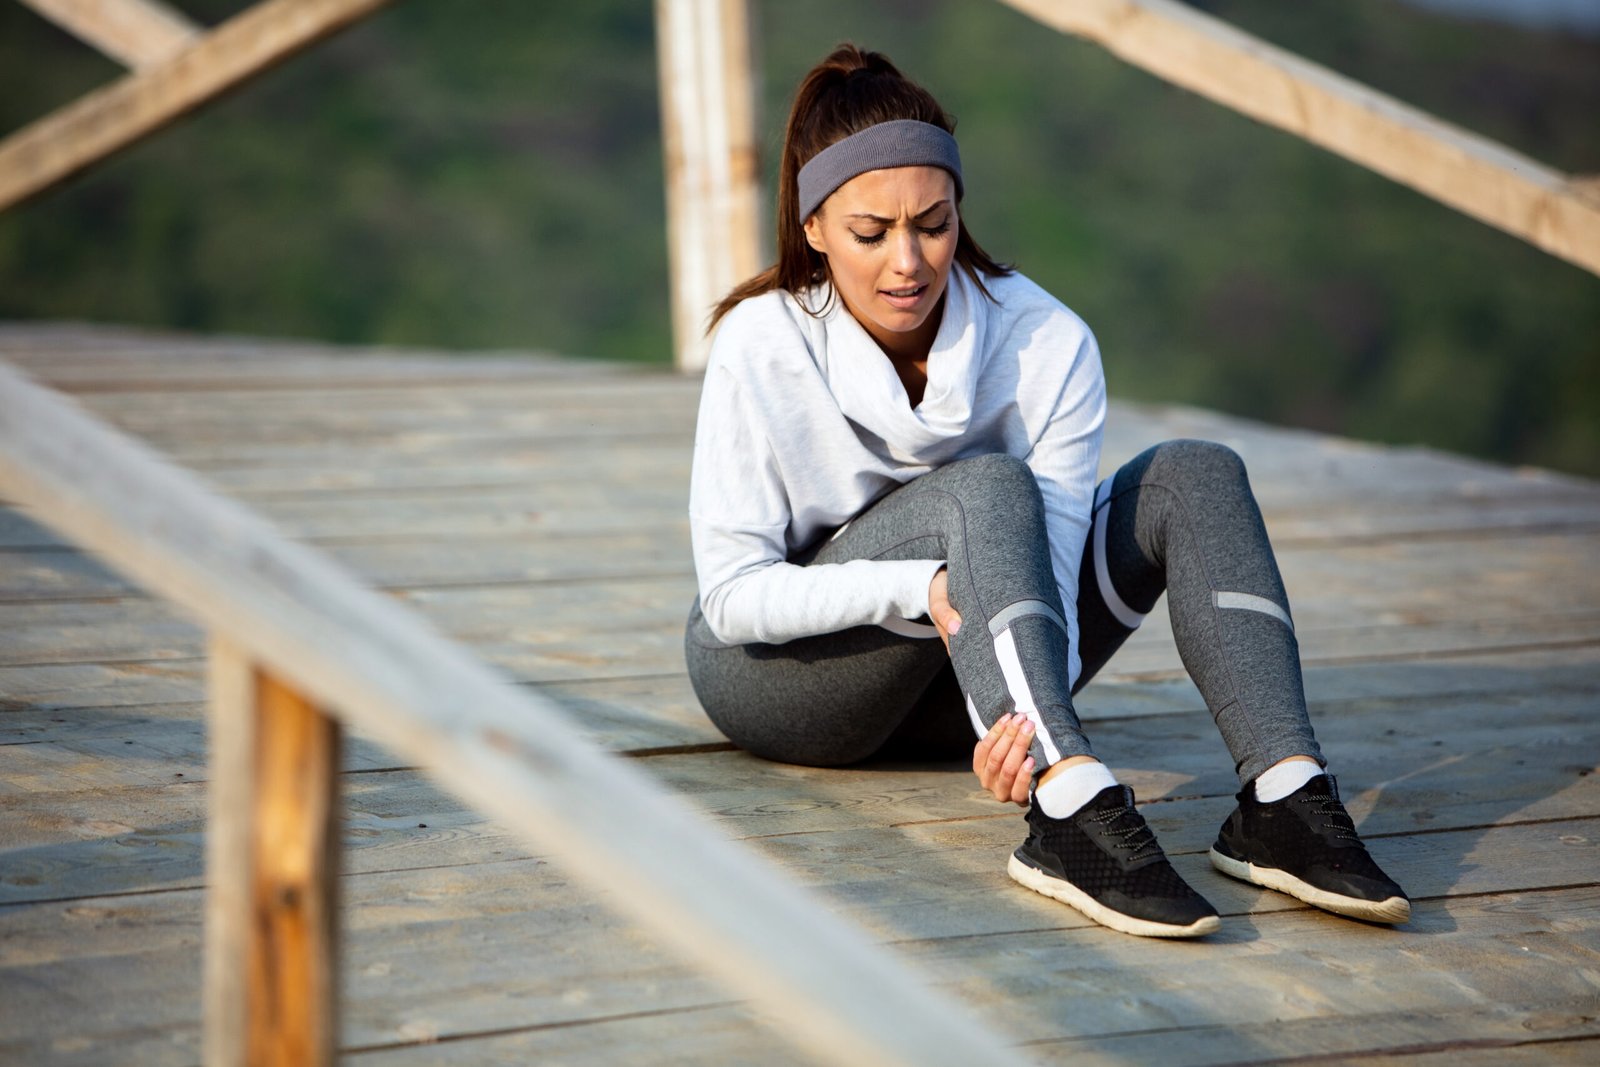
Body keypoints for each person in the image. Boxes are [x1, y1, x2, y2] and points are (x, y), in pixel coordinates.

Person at [684, 43, 1408, 938]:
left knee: (1195, 471)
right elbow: (728, 598)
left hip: (980, 703)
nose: (907, 261)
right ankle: (1067, 807)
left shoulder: (1045, 344)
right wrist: (921, 589)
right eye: (872, 233)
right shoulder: (763, 343)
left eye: (934, 224)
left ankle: (1283, 796)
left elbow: (1056, 592)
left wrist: (1020, 715)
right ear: (816, 228)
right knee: (984, 489)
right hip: (785, 684)